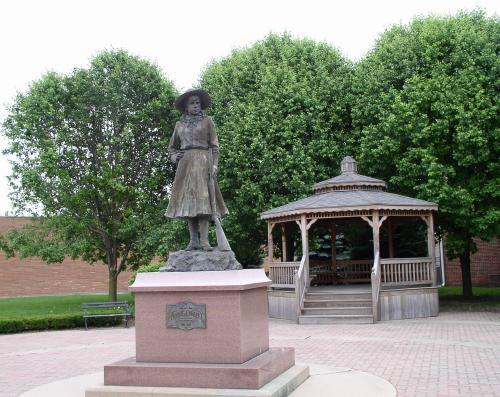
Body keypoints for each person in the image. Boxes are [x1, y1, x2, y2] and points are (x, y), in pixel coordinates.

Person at [166, 89, 228, 250]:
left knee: (203, 203)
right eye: (192, 103)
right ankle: (193, 240)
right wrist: (175, 157)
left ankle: (205, 241)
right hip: (185, 165)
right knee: (188, 203)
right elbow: (171, 148)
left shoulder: (208, 121)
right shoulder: (179, 125)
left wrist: (215, 165)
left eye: (198, 103)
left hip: (202, 162)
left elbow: (215, 146)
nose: (196, 106)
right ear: (186, 106)